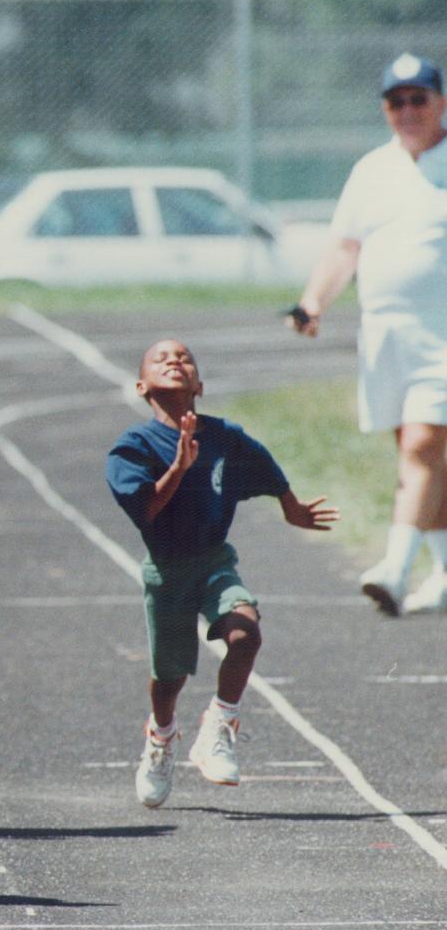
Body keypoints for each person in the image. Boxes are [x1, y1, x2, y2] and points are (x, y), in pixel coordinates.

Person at [107, 339, 337, 809]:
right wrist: (177, 467)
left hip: (214, 560)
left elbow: (265, 467)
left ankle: (219, 725)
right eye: (161, 358)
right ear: (141, 386)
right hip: (167, 570)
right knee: (169, 677)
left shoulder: (224, 437)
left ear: (200, 385)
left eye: (185, 357)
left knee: (245, 633)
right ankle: (161, 736)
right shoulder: (132, 447)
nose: (174, 360)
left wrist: (290, 506)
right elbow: (146, 507)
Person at [291, 52, 447, 616]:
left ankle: (396, 570)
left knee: (423, 446)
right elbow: (345, 247)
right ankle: (446, 571)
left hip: (443, 335)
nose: (407, 110)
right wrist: (313, 302)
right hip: (386, 338)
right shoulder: (371, 171)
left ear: (441, 102)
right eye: (396, 101)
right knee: (417, 454)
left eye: (418, 99)